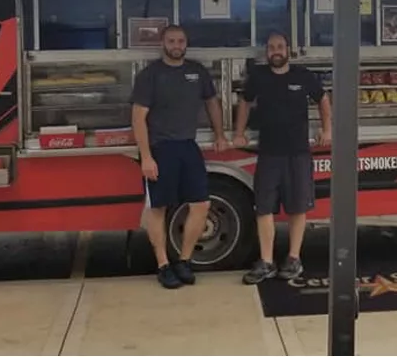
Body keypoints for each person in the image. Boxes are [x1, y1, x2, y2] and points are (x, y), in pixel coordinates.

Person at [131, 24, 229, 289]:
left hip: (188, 146)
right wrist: (147, 157)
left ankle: (184, 261)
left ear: (186, 43)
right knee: (158, 208)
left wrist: (220, 134)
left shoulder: (196, 72)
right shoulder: (150, 75)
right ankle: (163, 265)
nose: (177, 45)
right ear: (163, 43)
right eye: (172, 41)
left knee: (201, 204)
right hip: (160, 149)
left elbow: (212, 103)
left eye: (181, 41)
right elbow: (138, 118)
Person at [233, 31, 332, 284]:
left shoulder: (302, 75)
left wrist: (327, 129)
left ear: (288, 50)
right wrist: (239, 133)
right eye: (271, 47)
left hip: (298, 153)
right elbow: (244, 102)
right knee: (263, 207)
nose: (275, 51)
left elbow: (323, 99)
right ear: (266, 52)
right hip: (268, 154)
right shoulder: (259, 77)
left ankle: (293, 258)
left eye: (280, 46)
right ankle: (266, 261)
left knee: (298, 207)